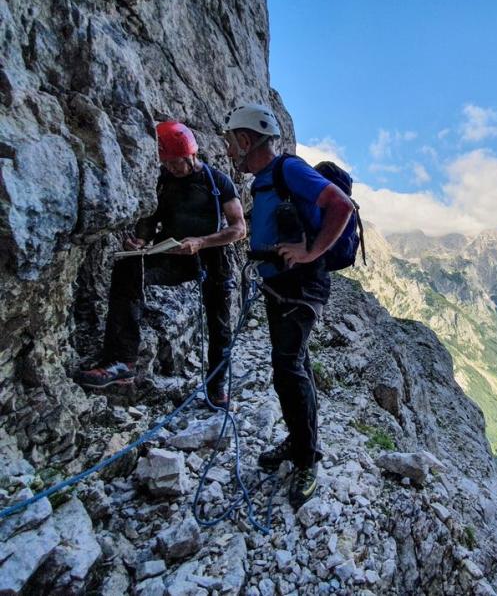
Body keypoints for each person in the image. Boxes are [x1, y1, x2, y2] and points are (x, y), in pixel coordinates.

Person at [221, 103, 353, 508]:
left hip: (300, 286)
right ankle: (300, 442)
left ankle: (306, 458)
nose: (228, 151)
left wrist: (312, 251)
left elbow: (341, 207)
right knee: (295, 367)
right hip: (282, 286)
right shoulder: (264, 180)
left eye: (230, 143)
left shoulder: (287, 170)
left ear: (245, 140)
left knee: (288, 368)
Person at [77, 121, 246, 407]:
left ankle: (216, 388)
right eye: (165, 162)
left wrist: (202, 241)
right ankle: (122, 361)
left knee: (219, 327)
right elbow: (151, 218)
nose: (171, 168)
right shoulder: (163, 180)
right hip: (172, 253)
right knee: (128, 269)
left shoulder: (217, 182)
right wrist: (141, 241)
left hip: (211, 258)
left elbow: (238, 229)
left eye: (175, 162)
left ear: (190, 154)